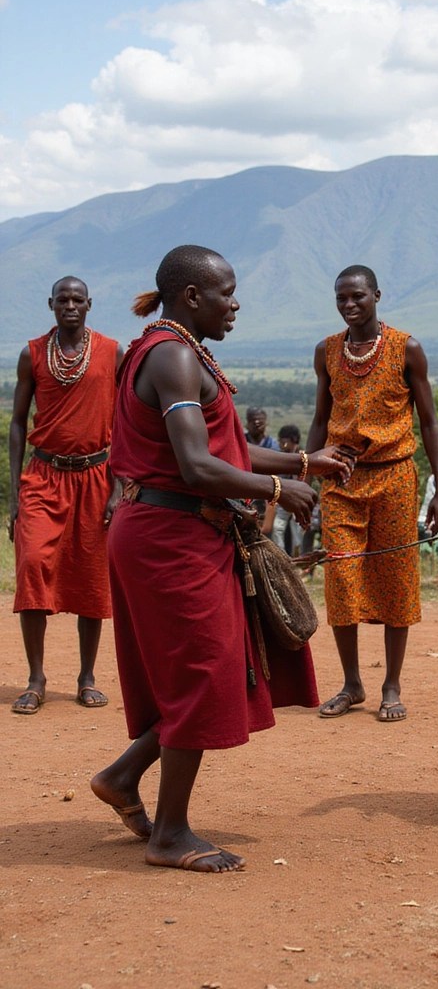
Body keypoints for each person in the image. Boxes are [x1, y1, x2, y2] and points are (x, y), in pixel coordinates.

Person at [89, 245, 349, 873]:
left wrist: (304, 463)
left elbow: (221, 447)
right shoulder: (174, 356)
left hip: (174, 532)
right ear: (191, 296)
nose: (236, 304)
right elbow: (197, 467)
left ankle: (123, 778)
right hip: (169, 538)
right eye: (227, 292)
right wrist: (280, 492)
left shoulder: (170, 348)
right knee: (201, 674)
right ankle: (170, 834)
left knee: (215, 668)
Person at [307, 264, 438, 722]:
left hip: (395, 477)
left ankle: (391, 683)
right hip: (341, 478)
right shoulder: (327, 351)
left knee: (396, 580)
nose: (349, 305)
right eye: (341, 299)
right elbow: (318, 419)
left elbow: (429, 422)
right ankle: (352, 683)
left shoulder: (407, 348)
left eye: (357, 297)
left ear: (377, 295)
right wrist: (302, 476)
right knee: (342, 580)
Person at [8, 276, 122, 715]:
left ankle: (87, 677)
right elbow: (18, 422)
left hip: (97, 476)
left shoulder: (113, 352)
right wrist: (17, 492)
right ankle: (36, 678)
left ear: (90, 304)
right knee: (33, 564)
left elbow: (129, 422)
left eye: (78, 299)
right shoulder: (32, 353)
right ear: (50, 304)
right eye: (62, 300)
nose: (70, 305)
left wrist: (120, 486)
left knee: (91, 577)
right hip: (43, 475)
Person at [262, 424, 305, 556]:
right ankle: (282, 557)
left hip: (298, 501)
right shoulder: (282, 456)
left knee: (297, 532)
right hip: (283, 500)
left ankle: (297, 557)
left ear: (292, 440)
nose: (281, 444)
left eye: (283, 441)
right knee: (278, 529)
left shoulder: (302, 456)